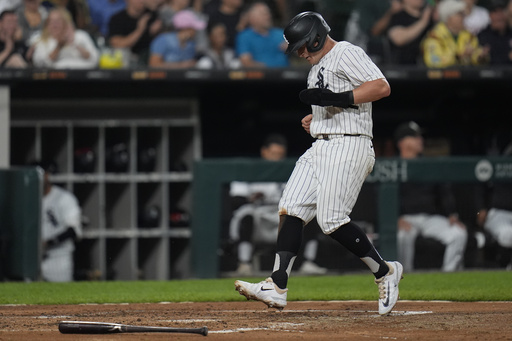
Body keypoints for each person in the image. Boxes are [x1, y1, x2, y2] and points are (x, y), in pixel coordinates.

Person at [234, 12, 402, 316]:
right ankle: (277, 284)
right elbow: (334, 104)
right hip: (322, 144)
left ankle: (385, 271)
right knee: (291, 206)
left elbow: (380, 87)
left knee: (332, 221)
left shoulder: (346, 52)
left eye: (302, 46)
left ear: (315, 38)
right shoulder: (315, 69)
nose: (299, 52)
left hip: (350, 144)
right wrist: (318, 119)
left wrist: (335, 99)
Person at [229, 134, 327, 276]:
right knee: (246, 215)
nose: (277, 158)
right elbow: (236, 199)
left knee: (310, 215)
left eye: (280, 154)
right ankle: (244, 264)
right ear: (264, 151)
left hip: (283, 217)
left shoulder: (293, 171)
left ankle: (308, 262)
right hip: (260, 218)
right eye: (274, 154)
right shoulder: (250, 170)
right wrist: (252, 198)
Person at [393, 121, 468, 273]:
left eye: (419, 136)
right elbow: (384, 199)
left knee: (458, 234)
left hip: (430, 218)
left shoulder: (429, 165)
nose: (420, 140)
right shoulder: (393, 166)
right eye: (414, 137)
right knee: (402, 237)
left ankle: (449, 276)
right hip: (405, 219)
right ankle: (403, 277)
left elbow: (444, 192)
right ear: (402, 142)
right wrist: (394, 218)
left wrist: (452, 214)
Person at [37, 161, 82, 282]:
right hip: (33, 258)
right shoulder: (27, 198)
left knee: (60, 297)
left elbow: (73, 231)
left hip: (58, 257)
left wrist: (48, 243)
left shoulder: (63, 198)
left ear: (47, 175)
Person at [422, 0, 488, 68]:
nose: (464, 17)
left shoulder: (468, 36)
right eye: (460, 14)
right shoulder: (435, 36)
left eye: (464, 14)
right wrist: (457, 57)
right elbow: (433, 61)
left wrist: (480, 57)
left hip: (465, 77)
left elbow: (474, 56)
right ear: (449, 17)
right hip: (442, 77)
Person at [31, 7, 99, 68]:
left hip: (81, 77)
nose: (54, 25)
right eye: (51, 21)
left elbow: (94, 59)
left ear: (65, 23)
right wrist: (59, 47)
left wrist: (74, 43)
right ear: (47, 25)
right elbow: (40, 65)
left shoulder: (80, 35)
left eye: (58, 21)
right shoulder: (41, 40)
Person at [108, 0, 162, 66]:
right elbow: (116, 44)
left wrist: (158, 32)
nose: (141, 1)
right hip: (128, 61)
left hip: (149, 58)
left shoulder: (152, 16)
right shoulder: (117, 19)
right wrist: (140, 30)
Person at [235, 1, 289, 68]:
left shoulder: (281, 34)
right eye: (264, 14)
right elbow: (246, 62)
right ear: (252, 18)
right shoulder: (244, 37)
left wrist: (292, 46)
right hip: (260, 76)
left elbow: (301, 52)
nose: (268, 16)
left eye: (268, 13)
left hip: (285, 75)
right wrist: (267, 70)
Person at [387, 0, 434, 65]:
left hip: (428, 66)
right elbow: (398, 39)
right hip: (404, 67)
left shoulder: (430, 17)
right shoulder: (398, 17)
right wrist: (423, 22)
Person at [477, 0, 512, 65]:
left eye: (502, 11)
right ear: (490, 15)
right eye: (495, 12)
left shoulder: (510, 34)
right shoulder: (483, 36)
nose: (500, 16)